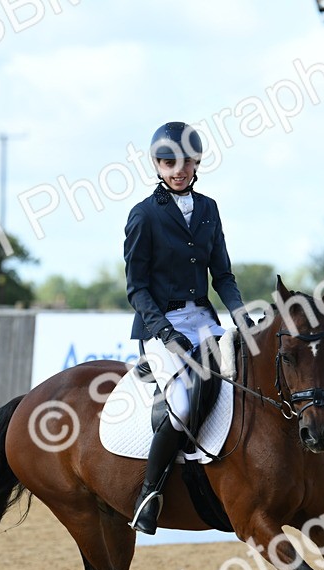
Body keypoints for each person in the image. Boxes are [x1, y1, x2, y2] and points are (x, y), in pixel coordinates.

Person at [124, 121, 248, 535]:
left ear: (197, 162)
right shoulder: (143, 215)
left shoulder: (209, 208)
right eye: (167, 161)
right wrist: (163, 331)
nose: (178, 169)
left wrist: (240, 315)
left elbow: (223, 276)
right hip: (161, 326)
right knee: (181, 403)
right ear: (157, 166)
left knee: (246, 380)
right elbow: (136, 288)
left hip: (203, 320)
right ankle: (149, 495)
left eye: (185, 161)